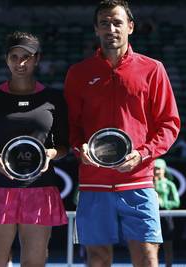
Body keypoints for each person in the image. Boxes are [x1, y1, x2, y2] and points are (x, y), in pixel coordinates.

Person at [64, 1, 181, 266]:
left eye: (117, 22)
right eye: (104, 23)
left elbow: (169, 123)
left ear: (130, 27)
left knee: (147, 256)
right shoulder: (78, 73)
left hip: (138, 181)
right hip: (93, 182)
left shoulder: (153, 69)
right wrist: (78, 148)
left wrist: (143, 155)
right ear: (96, 29)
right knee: (97, 258)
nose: (111, 28)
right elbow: (72, 126)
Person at [0, 31, 69, 267]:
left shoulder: (54, 98)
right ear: (6, 59)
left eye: (27, 57)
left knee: (34, 263)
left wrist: (50, 154)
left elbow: (64, 145)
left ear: (37, 59)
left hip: (40, 189)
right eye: (14, 57)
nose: (20, 63)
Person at [153, 158, 180, 267]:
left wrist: (164, 203)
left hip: (166, 218)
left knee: (168, 245)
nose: (156, 171)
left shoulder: (169, 185)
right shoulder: (149, 183)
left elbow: (176, 202)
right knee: (152, 245)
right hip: (153, 216)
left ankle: (169, 265)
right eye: (154, 169)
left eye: (159, 169)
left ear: (164, 170)